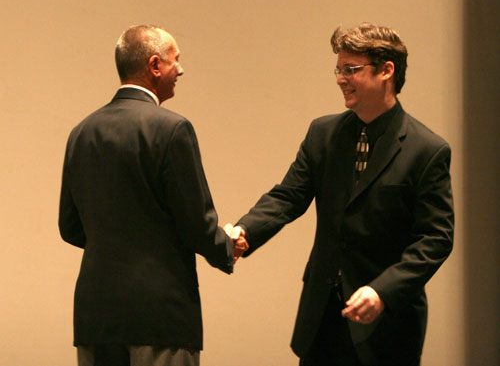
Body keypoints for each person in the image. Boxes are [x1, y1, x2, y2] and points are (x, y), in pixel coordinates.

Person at [226, 22, 454, 366]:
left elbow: (435, 238)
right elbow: (288, 196)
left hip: (386, 323)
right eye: (338, 69)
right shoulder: (324, 134)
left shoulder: (427, 149)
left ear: (386, 71)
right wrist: (245, 231)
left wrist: (383, 290)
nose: (340, 79)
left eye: (351, 69)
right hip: (322, 317)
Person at [59, 25, 246, 366]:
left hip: (95, 314)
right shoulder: (172, 129)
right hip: (160, 315)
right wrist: (227, 245)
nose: (181, 69)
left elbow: (69, 227)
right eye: (177, 60)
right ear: (155, 65)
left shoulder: (81, 132)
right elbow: (196, 224)